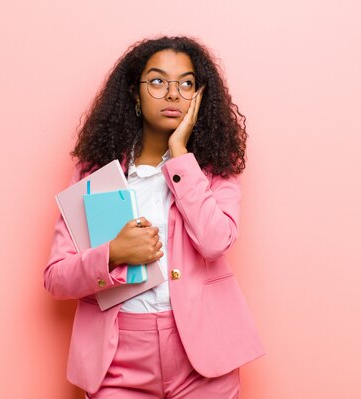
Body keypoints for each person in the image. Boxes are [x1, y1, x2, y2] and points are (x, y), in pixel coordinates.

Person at [44, 35, 264, 399]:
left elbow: (215, 242)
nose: (173, 93)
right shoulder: (95, 173)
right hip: (116, 361)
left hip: (203, 359)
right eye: (158, 81)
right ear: (135, 92)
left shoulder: (213, 169)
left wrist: (180, 154)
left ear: (199, 96)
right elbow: (56, 278)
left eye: (187, 83)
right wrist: (113, 253)